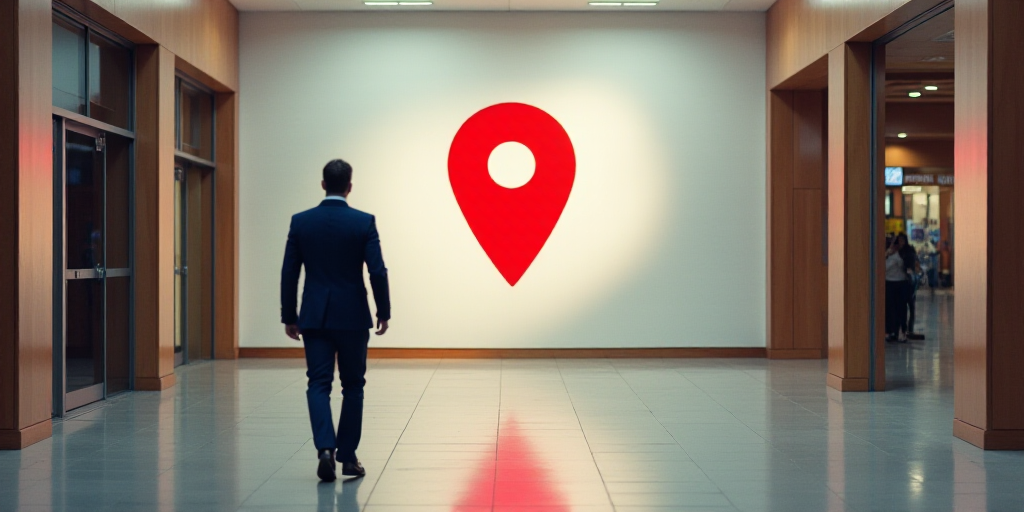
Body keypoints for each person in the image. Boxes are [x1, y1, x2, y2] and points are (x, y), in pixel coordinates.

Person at [281, 159, 391, 482]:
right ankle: (348, 457)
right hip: (353, 316)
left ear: (322, 184)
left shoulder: (301, 222)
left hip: (314, 316)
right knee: (353, 384)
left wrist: (290, 316)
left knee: (318, 383)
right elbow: (377, 271)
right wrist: (383, 311)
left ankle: (324, 448)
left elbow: (290, 272)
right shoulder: (363, 222)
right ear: (350, 187)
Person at [885, 233, 913, 343]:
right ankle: (893, 332)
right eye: (897, 241)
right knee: (891, 309)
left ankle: (902, 331)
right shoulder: (888, 253)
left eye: (902, 241)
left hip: (902, 283)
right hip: (889, 283)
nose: (899, 244)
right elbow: (884, 268)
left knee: (901, 308)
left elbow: (907, 267)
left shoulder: (905, 253)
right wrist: (888, 254)